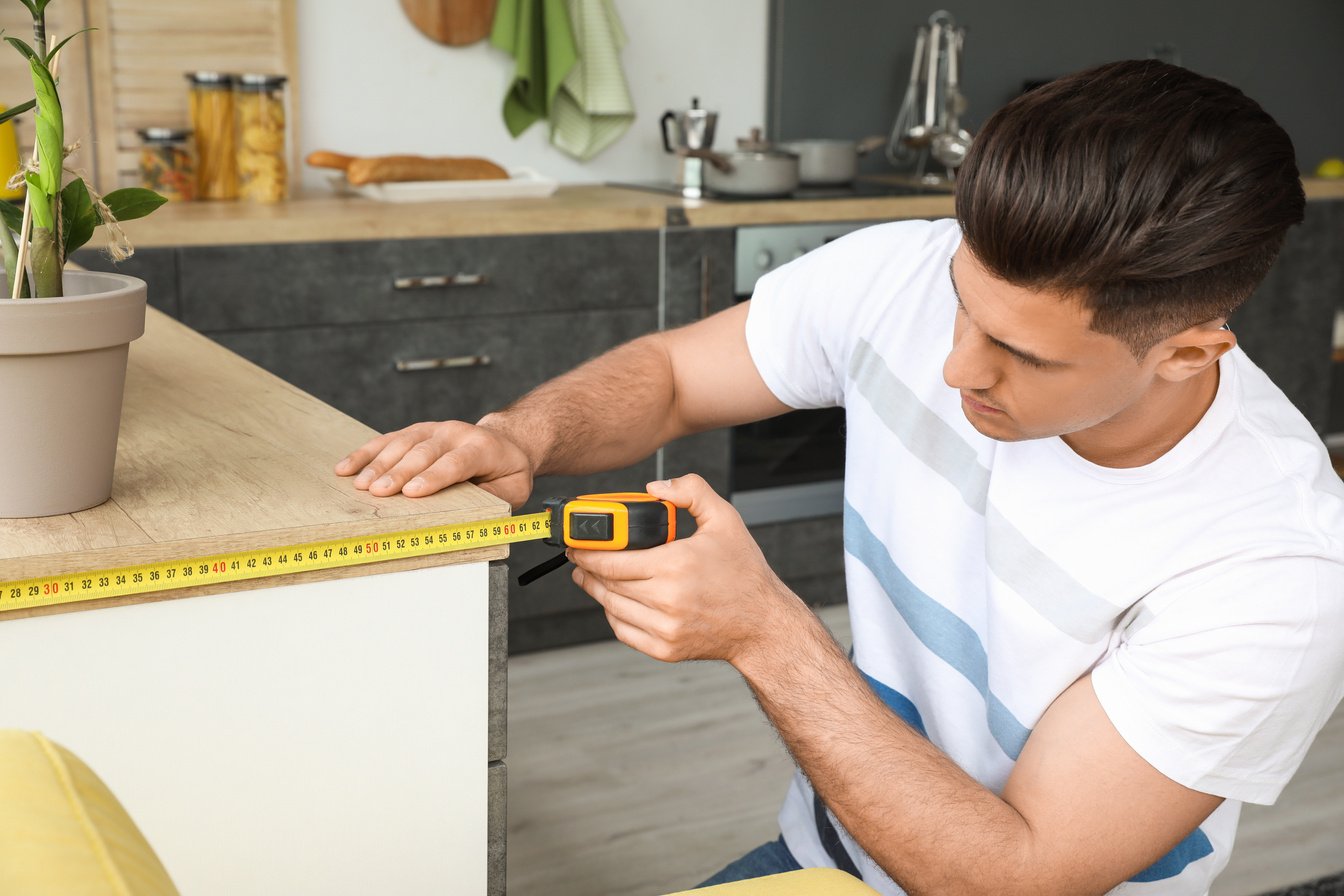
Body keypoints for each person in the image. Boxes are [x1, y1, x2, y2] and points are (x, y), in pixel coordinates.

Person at [335, 59, 1344, 895]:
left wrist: (763, 630)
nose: (954, 366)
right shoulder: (905, 271)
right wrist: (524, 433)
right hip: (835, 854)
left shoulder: (1274, 563)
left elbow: (1019, 871)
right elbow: (677, 373)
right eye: (962, 302)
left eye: (1021, 354)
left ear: (1188, 353)